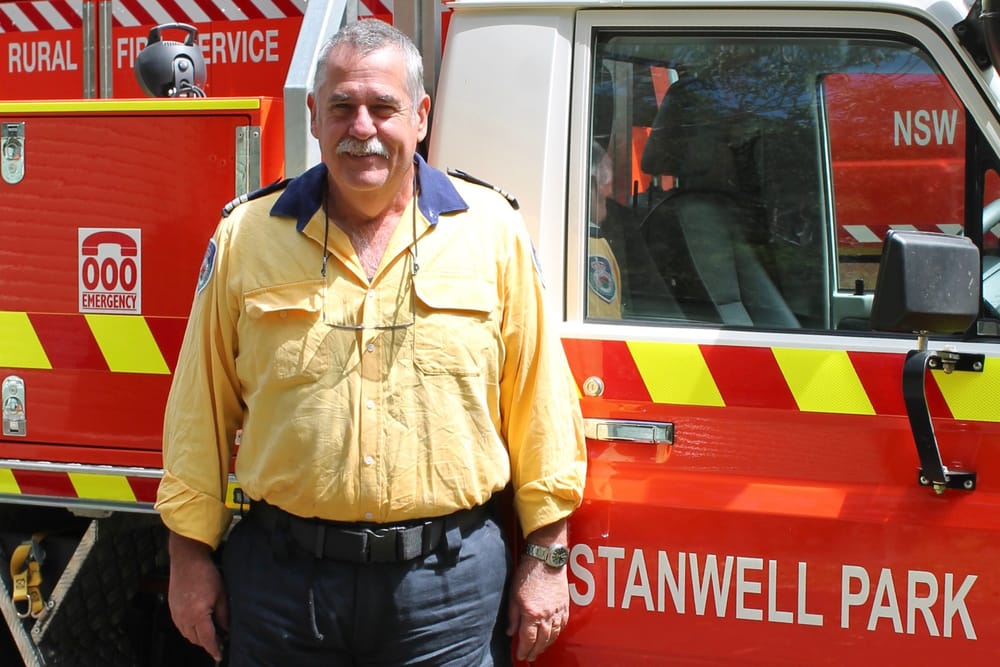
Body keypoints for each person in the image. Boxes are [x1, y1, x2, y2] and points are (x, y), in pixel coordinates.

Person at [155, 18, 587, 667]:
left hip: (446, 591)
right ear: (314, 115)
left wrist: (548, 555)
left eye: (383, 107)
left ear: (420, 116)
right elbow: (199, 412)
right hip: (282, 586)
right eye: (342, 107)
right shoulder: (247, 237)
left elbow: (541, 404)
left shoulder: (491, 232)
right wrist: (188, 556)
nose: (362, 127)